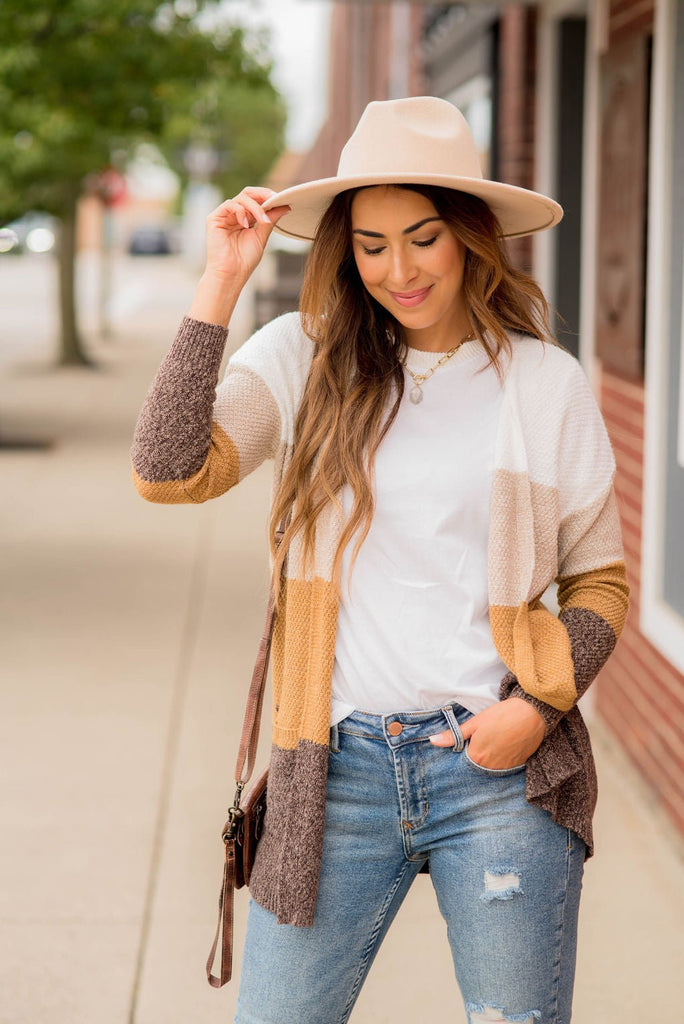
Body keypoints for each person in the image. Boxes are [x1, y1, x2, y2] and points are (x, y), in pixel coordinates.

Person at [131, 97, 629, 1024]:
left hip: (501, 778)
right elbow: (167, 471)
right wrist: (220, 284)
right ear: (344, 250)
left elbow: (597, 582)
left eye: (422, 237)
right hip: (336, 772)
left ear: (470, 236)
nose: (396, 269)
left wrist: (538, 708)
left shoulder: (544, 385)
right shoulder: (304, 361)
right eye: (369, 244)